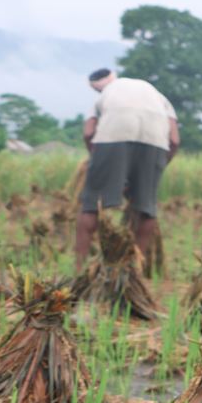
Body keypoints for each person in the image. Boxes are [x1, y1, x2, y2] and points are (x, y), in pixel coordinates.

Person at [75, 68, 178, 267]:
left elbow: (88, 133)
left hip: (112, 139)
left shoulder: (107, 93)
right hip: (155, 141)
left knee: (91, 204)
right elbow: (174, 140)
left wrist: (97, 162)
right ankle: (134, 269)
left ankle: (79, 269)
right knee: (146, 208)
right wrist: (158, 167)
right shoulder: (157, 95)